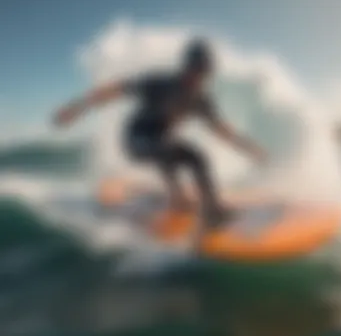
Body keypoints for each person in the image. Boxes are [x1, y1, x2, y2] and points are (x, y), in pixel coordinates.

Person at [53, 38, 267, 230]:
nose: (197, 77)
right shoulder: (159, 84)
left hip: (161, 142)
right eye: (194, 69)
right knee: (171, 148)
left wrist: (251, 149)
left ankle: (207, 209)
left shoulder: (201, 101)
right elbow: (114, 90)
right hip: (136, 140)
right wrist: (75, 108)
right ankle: (184, 202)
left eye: (203, 71)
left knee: (195, 157)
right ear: (186, 67)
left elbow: (223, 131)